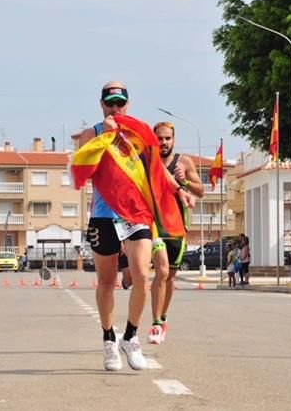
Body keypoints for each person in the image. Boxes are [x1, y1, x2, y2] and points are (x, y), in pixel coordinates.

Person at [77, 81, 195, 371]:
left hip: (136, 213)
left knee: (142, 275)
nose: (115, 109)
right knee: (106, 283)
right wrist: (103, 138)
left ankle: (130, 336)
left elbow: (156, 168)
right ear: (101, 104)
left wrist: (179, 189)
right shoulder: (91, 133)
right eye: (110, 104)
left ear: (128, 104)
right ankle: (108, 340)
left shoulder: (140, 132)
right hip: (104, 215)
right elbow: (84, 170)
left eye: (120, 103)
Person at [145, 121, 204, 345]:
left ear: (174, 140)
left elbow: (201, 191)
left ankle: (163, 317)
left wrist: (184, 180)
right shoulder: (148, 160)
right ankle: (156, 323)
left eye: (167, 138)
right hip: (154, 225)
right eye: (159, 138)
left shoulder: (184, 162)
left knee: (169, 277)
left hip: (177, 227)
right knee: (160, 271)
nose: (163, 142)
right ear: (154, 139)